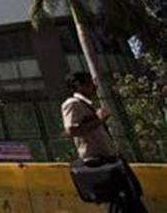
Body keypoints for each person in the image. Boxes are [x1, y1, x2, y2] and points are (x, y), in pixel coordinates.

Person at [62, 72, 146, 212]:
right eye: (90, 83)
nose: (94, 86)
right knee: (119, 201)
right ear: (79, 85)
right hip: (99, 161)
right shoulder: (72, 103)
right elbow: (72, 130)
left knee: (129, 199)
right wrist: (99, 120)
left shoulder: (86, 104)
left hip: (109, 158)